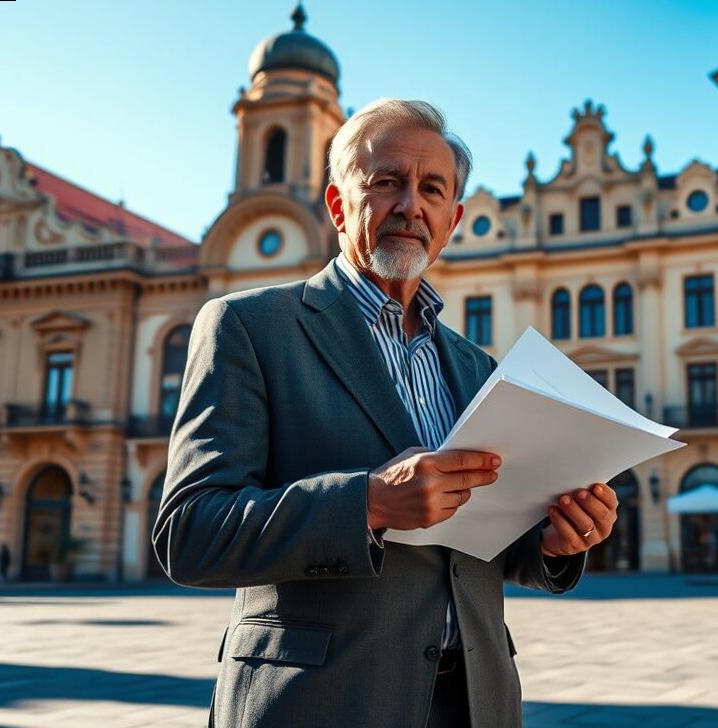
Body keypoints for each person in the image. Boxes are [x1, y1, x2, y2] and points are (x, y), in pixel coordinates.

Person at [153, 98, 618, 728]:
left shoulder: (476, 367)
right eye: (387, 182)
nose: (410, 205)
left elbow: (485, 546)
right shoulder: (249, 326)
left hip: (475, 703)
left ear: (452, 221)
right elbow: (189, 533)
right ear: (338, 205)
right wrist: (367, 503)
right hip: (319, 704)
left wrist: (556, 542)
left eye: (432, 189)